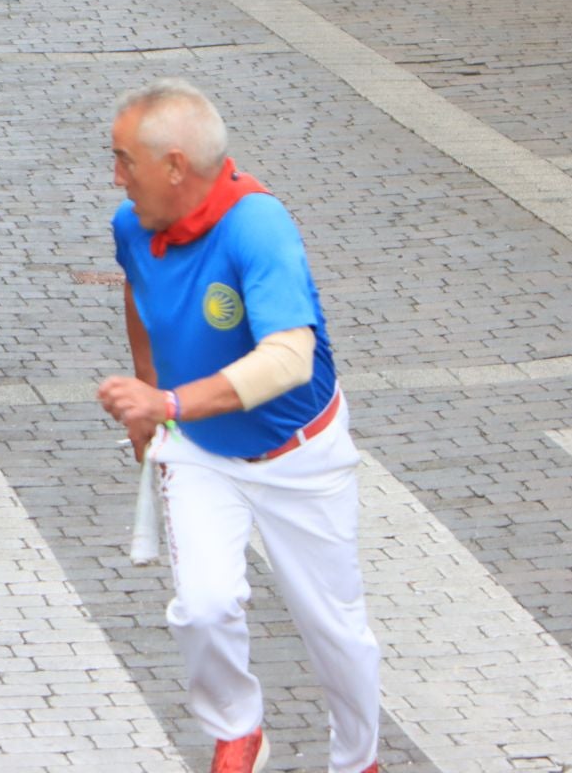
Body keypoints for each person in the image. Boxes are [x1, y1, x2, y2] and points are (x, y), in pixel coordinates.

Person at [96, 80, 381, 773]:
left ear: (174, 167)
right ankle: (238, 730)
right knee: (202, 607)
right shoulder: (133, 225)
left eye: (125, 159)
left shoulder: (259, 227)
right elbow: (139, 291)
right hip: (200, 451)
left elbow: (288, 358)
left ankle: (358, 759)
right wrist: (151, 393)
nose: (116, 175)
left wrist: (169, 405)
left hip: (299, 456)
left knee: (332, 630)